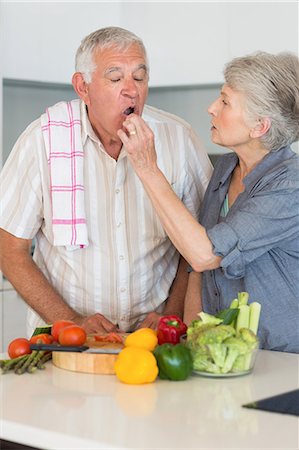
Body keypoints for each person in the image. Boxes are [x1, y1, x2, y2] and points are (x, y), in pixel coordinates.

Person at [0, 26, 213, 337]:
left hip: (156, 338)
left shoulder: (179, 139)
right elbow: (9, 248)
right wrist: (70, 321)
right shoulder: (42, 140)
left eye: (140, 77)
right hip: (65, 341)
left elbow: (198, 247)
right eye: (115, 78)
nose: (132, 90)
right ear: (83, 87)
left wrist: (172, 312)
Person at [118, 51, 299, 353]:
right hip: (223, 355)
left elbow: (205, 254)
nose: (212, 108)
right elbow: (196, 268)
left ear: (260, 126)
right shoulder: (226, 168)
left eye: (226, 102)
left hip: (281, 358)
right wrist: (191, 339)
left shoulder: (289, 186)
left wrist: (147, 166)